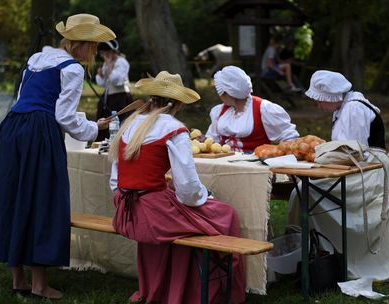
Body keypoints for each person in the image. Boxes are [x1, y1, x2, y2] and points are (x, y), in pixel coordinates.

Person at [0, 14, 115, 299]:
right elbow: (64, 116)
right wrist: (94, 128)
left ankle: (18, 280)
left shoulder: (36, 60)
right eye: (93, 46)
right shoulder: (72, 68)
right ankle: (39, 285)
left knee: (14, 197)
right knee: (43, 200)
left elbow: (20, 100)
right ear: (81, 44)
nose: (94, 52)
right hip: (39, 134)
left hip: (12, 128)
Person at [108, 71, 245, 304]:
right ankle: (220, 292)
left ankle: (166, 288)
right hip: (152, 215)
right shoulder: (174, 129)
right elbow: (188, 188)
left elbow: (115, 180)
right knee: (225, 215)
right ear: (179, 104)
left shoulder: (129, 124)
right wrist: (206, 198)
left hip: (125, 211)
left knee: (182, 221)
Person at [288, 70, 389, 281]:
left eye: (320, 100)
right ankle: (307, 250)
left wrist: (321, 158)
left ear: (331, 97)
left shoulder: (353, 109)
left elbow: (352, 154)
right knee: (302, 191)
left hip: (370, 172)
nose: (318, 105)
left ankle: (323, 253)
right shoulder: (345, 107)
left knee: (306, 192)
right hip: (360, 168)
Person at [206, 65, 299, 152]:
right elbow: (212, 140)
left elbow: (290, 139)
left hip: (254, 166)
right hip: (223, 164)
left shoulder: (264, 109)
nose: (219, 95)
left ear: (228, 93)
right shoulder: (220, 111)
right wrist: (204, 141)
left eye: (219, 91)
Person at [95, 39, 132, 141]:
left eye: (105, 53)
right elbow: (103, 84)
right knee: (105, 122)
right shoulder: (106, 63)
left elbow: (117, 80)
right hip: (109, 98)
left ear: (112, 51)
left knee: (120, 122)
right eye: (102, 53)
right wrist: (101, 75)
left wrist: (110, 68)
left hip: (121, 98)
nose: (103, 56)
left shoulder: (121, 62)